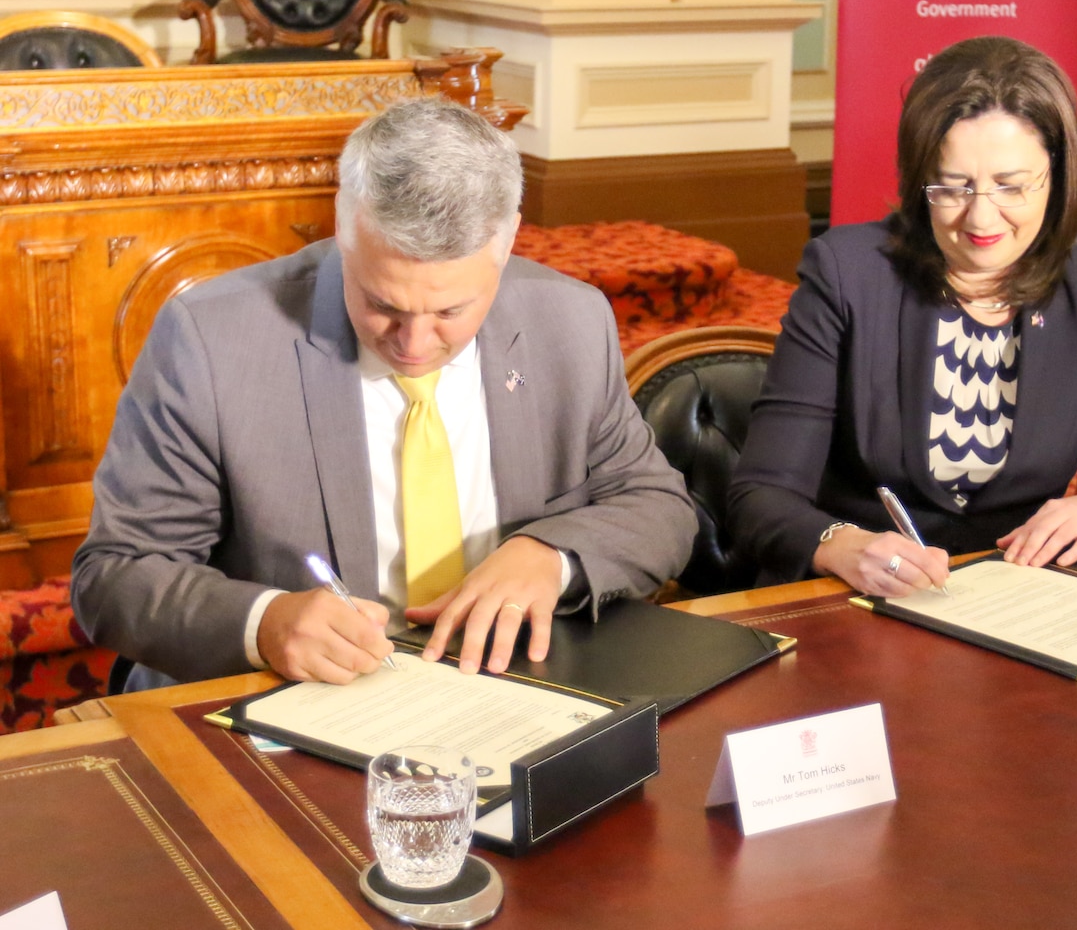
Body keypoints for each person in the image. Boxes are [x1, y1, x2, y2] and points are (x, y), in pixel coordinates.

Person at [72, 98, 696, 689]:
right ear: (343, 223)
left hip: (507, 688)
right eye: (382, 305)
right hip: (286, 701)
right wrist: (264, 623)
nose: (414, 343)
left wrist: (551, 556)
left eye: (451, 310)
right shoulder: (213, 339)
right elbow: (115, 575)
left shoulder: (571, 321)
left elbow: (658, 507)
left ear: (506, 243)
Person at [727, 36, 1077, 595]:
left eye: (1011, 186)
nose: (981, 215)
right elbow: (760, 498)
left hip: (1021, 601)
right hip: (858, 602)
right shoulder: (848, 275)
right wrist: (841, 545)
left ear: (1058, 178)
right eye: (953, 187)